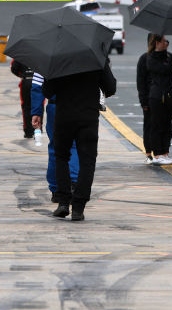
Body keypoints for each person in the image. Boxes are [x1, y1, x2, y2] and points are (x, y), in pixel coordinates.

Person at [36, 60, 116, 221]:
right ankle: (79, 206)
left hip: (64, 115)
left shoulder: (59, 58)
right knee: (87, 161)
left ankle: (63, 202)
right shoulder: (96, 57)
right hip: (88, 116)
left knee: (61, 157)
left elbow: (47, 90)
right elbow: (111, 88)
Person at [31, 71, 80, 200]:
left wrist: (36, 112)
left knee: (56, 147)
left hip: (55, 105)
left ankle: (56, 187)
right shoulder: (85, 55)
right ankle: (73, 182)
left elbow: (37, 85)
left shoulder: (46, 56)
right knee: (75, 145)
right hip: (78, 105)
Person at [137, 33, 172, 166]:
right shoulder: (148, 58)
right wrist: (143, 101)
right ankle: (154, 153)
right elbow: (142, 81)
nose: (167, 43)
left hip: (167, 96)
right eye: (164, 41)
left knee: (166, 125)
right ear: (156, 42)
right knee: (153, 126)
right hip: (154, 97)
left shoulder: (167, 57)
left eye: (167, 41)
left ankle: (165, 152)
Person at [10, 59, 35, 138]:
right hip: (38, 81)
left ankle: (28, 131)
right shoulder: (43, 50)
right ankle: (38, 129)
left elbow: (14, 68)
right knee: (38, 106)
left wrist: (22, 75)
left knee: (26, 107)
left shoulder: (21, 51)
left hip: (26, 81)